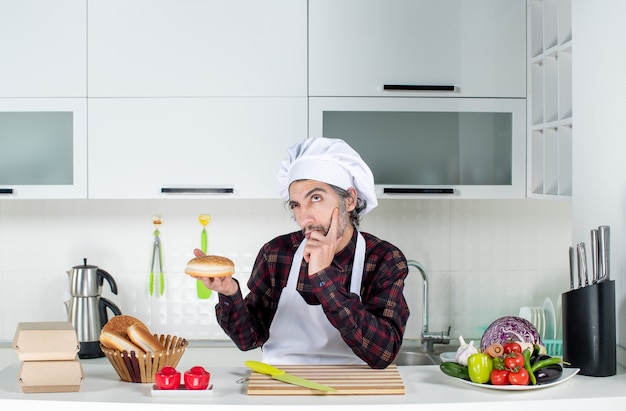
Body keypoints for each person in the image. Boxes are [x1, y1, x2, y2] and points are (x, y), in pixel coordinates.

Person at [193, 137, 410, 369]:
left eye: (315, 198)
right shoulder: (275, 253)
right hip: (281, 388)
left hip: (354, 390)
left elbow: (383, 354)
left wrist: (323, 278)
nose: (304, 218)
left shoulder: (384, 259)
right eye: (296, 205)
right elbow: (249, 339)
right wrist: (230, 293)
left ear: (349, 200)